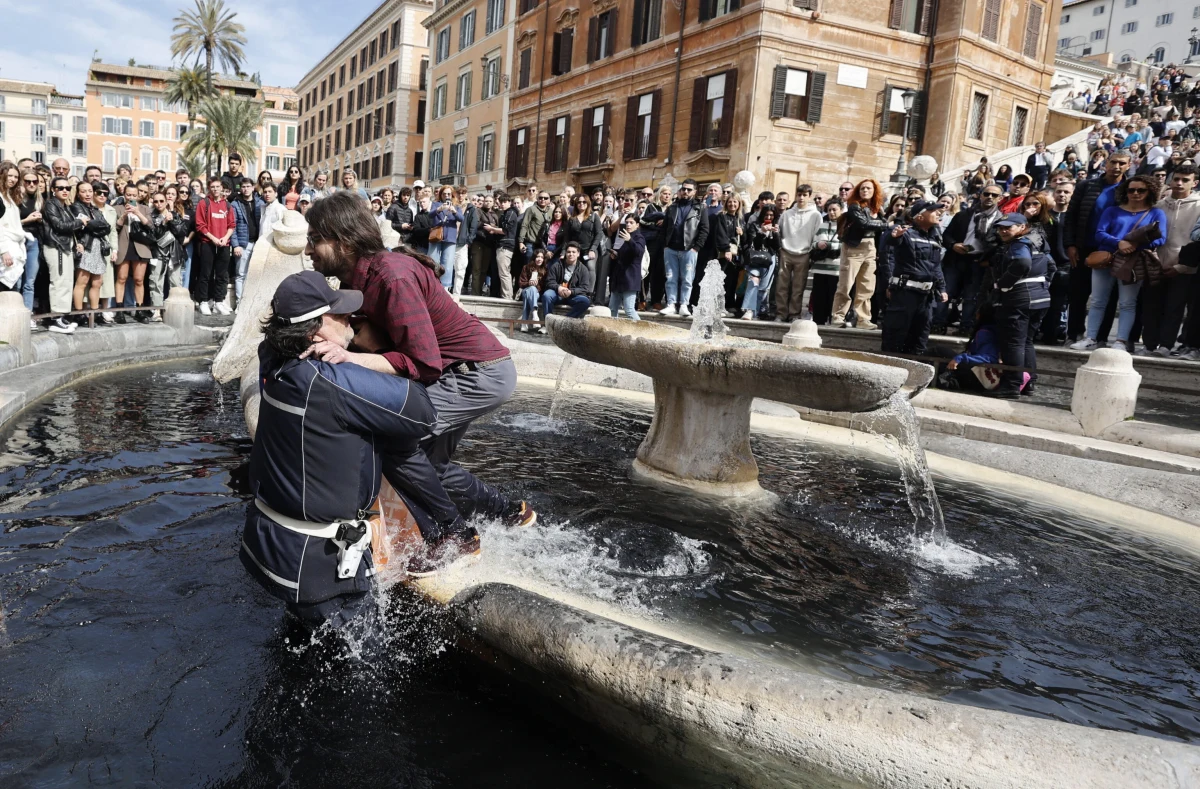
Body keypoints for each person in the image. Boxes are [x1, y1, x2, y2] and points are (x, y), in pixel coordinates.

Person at [302, 193, 537, 530]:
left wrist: (349, 356)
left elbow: (424, 363)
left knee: (394, 443)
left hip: (475, 374)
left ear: (343, 240)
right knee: (427, 463)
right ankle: (509, 514)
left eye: (314, 240)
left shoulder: (391, 277)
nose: (308, 250)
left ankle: (452, 536)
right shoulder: (359, 277)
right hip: (463, 371)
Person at [241, 271, 457, 629]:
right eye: (338, 314)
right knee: (361, 677)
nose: (350, 318)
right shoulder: (328, 381)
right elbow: (423, 413)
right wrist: (359, 360)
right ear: (314, 332)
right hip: (323, 569)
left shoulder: (271, 355)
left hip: (271, 547)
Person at [1071, 175, 1168, 352]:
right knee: (1098, 301)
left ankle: (1121, 341)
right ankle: (1091, 337)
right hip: (1106, 259)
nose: (1136, 193)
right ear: (1125, 191)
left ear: (1150, 191)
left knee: (1127, 303)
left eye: (1141, 190)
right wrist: (1119, 243)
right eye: (1131, 190)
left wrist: (1135, 245)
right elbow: (1099, 233)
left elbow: (1161, 238)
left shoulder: (1156, 212)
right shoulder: (1112, 210)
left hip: (1133, 261)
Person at [1063, 151, 1131, 342]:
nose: (1116, 167)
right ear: (1106, 163)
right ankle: (1074, 333)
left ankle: (1100, 337)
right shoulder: (1086, 185)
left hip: (1114, 250)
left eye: (1121, 163)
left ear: (1128, 165)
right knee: (1078, 293)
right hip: (1084, 247)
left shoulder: (1131, 189)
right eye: (1113, 162)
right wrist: (1070, 244)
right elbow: (1071, 217)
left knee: (1109, 298)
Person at [1139, 164, 1200, 355]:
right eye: (1176, 179)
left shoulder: (1199, 206)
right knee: (1151, 307)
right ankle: (1149, 345)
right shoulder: (1158, 206)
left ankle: (1166, 345)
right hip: (1155, 264)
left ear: (1195, 183)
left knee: (1175, 308)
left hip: (1183, 267)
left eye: (1185, 180)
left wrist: (1183, 266)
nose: (1179, 183)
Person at [991, 213, 1052, 398]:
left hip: (1020, 299)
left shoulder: (1020, 244)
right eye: (1001, 227)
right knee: (1026, 342)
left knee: (1014, 343)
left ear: (1022, 227)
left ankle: (1012, 385)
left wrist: (1003, 283)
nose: (1003, 230)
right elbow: (1052, 266)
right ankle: (1029, 382)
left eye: (1008, 227)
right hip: (1040, 297)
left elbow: (1022, 262)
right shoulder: (1038, 241)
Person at [879, 201, 947, 354]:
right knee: (895, 339)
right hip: (905, 295)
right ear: (920, 216)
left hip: (926, 298)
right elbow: (892, 241)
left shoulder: (935, 239)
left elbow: (936, 266)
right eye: (934, 211)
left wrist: (942, 288)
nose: (938, 213)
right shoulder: (906, 233)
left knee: (919, 341)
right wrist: (894, 236)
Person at [936, 184, 1002, 336]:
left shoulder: (1000, 220)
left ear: (999, 198)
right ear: (980, 195)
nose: (989, 197)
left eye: (994, 195)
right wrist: (953, 245)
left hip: (979, 262)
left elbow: (999, 245)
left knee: (971, 297)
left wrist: (989, 260)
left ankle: (966, 326)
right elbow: (946, 236)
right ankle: (938, 323)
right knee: (946, 292)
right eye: (987, 194)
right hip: (956, 259)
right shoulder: (964, 215)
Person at [831, 179, 887, 329]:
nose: (865, 191)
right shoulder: (854, 205)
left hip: (870, 247)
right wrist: (886, 225)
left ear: (875, 190)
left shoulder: (877, 208)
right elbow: (864, 224)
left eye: (868, 188)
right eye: (862, 188)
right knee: (846, 284)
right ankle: (838, 316)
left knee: (867, 285)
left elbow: (879, 228)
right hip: (854, 247)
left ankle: (863, 319)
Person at [660, 179, 709, 317]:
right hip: (671, 249)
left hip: (689, 249)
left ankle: (684, 304)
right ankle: (671, 304)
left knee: (687, 278)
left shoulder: (700, 208)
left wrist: (696, 247)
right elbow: (664, 228)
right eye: (683, 189)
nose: (685, 191)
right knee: (670, 277)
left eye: (689, 189)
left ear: (694, 192)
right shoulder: (672, 207)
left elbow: (704, 229)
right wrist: (665, 246)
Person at [40, 178, 81, 333]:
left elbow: (68, 228)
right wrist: (80, 222)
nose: (65, 190)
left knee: (66, 281)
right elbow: (60, 226)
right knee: (58, 281)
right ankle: (55, 319)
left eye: (67, 188)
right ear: (53, 190)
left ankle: (62, 316)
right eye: (61, 188)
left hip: (65, 247)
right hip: (55, 246)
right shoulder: (51, 204)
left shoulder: (65, 207)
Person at [775, 184, 821, 322]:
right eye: (799, 194)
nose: (801, 197)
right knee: (781, 286)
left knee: (798, 287)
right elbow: (780, 231)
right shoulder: (787, 213)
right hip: (786, 251)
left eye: (804, 195)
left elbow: (816, 234)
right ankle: (780, 313)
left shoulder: (815, 215)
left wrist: (812, 252)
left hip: (804, 253)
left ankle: (794, 314)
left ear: (809, 196)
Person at [68, 180, 111, 325]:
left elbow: (107, 227)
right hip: (85, 245)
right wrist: (94, 224)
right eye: (83, 191)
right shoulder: (75, 207)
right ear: (78, 193)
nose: (87, 194)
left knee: (97, 282)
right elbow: (88, 226)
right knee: (82, 281)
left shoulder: (95, 209)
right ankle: (79, 314)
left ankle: (94, 313)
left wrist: (92, 223)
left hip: (98, 247)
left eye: (89, 191)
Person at [192, 176, 235, 316]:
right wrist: (213, 238)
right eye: (213, 187)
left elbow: (231, 225)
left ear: (222, 188)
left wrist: (225, 238)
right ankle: (203, 301)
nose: (215, 189)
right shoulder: (204, 203)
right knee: (206, 274)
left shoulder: (227, 205)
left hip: (224, 244)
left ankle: (219, 301)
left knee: (222, 275)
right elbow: (200, 225)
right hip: (207, 244)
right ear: (209, 188)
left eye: (218, 186)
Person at [740, 205, 780, 320]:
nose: (768, 217)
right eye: (766, 215)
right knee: (753, 281)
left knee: (763, 288)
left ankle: (755, 312)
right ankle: (749, 310)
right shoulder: (754, 225)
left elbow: (777, 247)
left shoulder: (776, 227)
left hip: (769, 260)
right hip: (755, 258)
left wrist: (775, 234)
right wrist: (762, 232)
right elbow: (754, 244)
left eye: (771, 215)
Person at [539, 242, 593, 322]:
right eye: (568, 252)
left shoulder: (583, 269)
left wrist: (571, 292)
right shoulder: (556, 265)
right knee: (547, 295)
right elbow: (549, 282)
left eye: (573, 252)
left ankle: (562, 321)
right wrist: (559, 288)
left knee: (585, 302)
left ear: (578, 254)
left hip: (573, 296)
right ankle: (547, 323)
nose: (571, 254)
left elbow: (584, 288)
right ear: (566, 253)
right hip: (557, 293)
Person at [810, 200, 843, 325]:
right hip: (819, 268)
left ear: (840, 210)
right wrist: (818, 244)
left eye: (835, 209)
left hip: (835, 269)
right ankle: (818, 321)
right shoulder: (822, 226)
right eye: (829, 210)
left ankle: (832, 319)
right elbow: (813, 244)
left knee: (833, 296)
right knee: (819, 297)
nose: (832, 212)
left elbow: (844, 246)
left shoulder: (845, 227)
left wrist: (829, 246)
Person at [232, 177, 263, 305]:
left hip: (258, 244)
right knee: (240, 274)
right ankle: (240, 303)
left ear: (253, 187)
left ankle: (252, 303)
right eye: (243, 187)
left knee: (255, 274)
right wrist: (236, 245)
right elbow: (232, 226)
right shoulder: (235, 204)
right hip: (243, 244)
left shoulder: (260, 203)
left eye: (248, 186)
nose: (245, 189)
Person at [608, 214, 645, 320]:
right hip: (619, 278)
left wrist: (630, 240)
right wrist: (616, 254)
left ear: (637, 225)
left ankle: (642, 330)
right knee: (612, 309)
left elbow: (639, 252)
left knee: (629, 310)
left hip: (630, 279)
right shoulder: (627, 236)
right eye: (627, 222)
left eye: (631, 223)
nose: (628, 225)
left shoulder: (639, 237)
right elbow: (626, 254)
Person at [429, 186, 462, 290]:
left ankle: (445, 287)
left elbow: (462, 219)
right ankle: (432, 285)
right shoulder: (436, 204)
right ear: (441, 195)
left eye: (448, 194)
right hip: (436, 236)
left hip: (450, 238)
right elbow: (430, 215)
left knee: (447, 263)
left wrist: (454, 212)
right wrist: (439, 209)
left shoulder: (456, 206)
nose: (446, 196)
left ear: (452, 195)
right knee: (433, 261)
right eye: (444, 194)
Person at [495, 193, 520, 300]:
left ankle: (507, 297)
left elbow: (505, 230)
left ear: (509, 202)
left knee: (504, 273)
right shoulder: (508, 213)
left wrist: (492, 229)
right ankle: (506, 295)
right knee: (504, 272)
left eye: (505, 202)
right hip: (505, 245)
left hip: (505, 245)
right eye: (501, 202)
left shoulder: (510, 213)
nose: (503, 204)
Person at [518, 247, 549, 331]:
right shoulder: (526, 267)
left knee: (531, 292)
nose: (539, 259)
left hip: (538, 294)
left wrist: (537, 285)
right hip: (525, 290)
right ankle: (535, 315)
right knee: (530, 289)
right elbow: (521, 283)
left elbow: (546, 286)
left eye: (542, 257)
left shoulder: (546, 270)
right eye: (538, 257)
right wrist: (529, 283)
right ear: (534, 258)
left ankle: (524, 323)